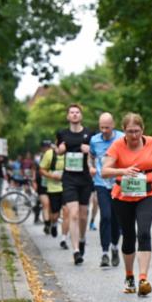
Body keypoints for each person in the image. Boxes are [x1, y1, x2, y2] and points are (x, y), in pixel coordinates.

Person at [100, 113, 152, 295]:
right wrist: (123, 170)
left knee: (144, 232)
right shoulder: (117, 146)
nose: (134, 136)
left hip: (147, 193)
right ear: (124, 132)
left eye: (137, 131)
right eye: (130, 132)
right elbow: (104, 171)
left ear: (142, 130)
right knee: (128, 236)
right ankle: (129, 276)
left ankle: (143, 278)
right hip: (123, 196)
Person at [57, 104, 94, 264]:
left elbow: (94, 154)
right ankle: (76, 250)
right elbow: (57, 150)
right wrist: (61, 149)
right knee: (73, 214)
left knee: (84, 215)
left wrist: (90, 150)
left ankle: (83, 238)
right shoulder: (62, 133)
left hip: (85, 178)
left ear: (81, 116)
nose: (74, 115)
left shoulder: (89, 134)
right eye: (71, 112)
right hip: (69, 178)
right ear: (67, 116)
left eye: (77, 112)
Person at [90, 113, 123, 267]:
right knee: (106, 216)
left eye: (107, 128)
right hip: (101, 182)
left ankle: (115, 247)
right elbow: (91, 156)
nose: (104, 130)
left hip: (118, 183)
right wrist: (91, 166)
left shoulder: (122, 138)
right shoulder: (94, 140)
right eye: (101, 127)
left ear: (113, 125)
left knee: (116, 217)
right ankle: (104, 252)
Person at [39, 139, 66, 239]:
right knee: (52, 210)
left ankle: (64, 237)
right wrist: (52, 176)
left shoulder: (70, 153)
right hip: (50, 186)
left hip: (67, 186)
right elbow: (40, 170)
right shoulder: (48, 154)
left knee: (66, 210)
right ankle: (51, 224)